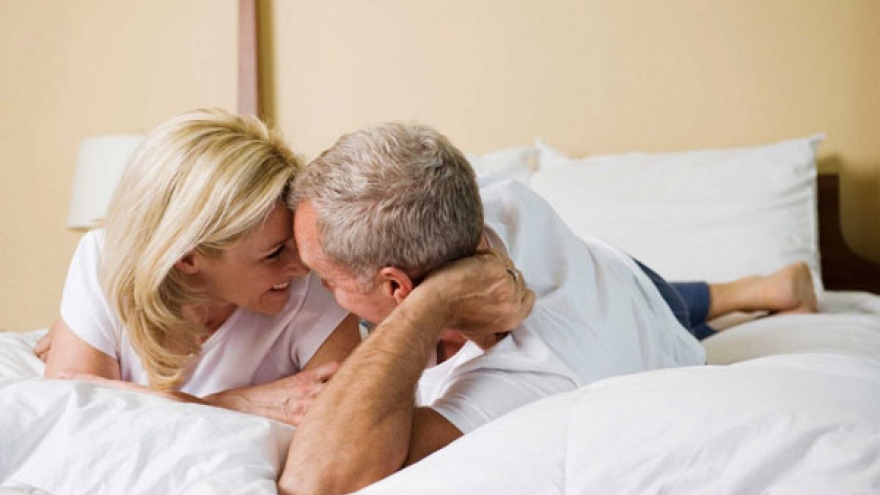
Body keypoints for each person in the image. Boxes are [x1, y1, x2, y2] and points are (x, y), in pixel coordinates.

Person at [277, 121, 818, 495]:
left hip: (652, 311)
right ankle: (746, 293)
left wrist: (431, 303)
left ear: (399, 286)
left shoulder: (540, 375)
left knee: (682, 313)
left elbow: (315, 482)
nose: (313, 286)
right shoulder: (454, 194)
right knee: (676, 295)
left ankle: (762, 291)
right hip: (606, 269)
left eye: (327, 279)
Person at [41, 108, 361, 424]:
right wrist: (235, 403)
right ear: (185, 257)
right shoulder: (103, 258)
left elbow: (345, 424)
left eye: (295, 241)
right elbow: (72, 423)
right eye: (274, 253)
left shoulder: (313, 281)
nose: (302, 266)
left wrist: (147, 401)